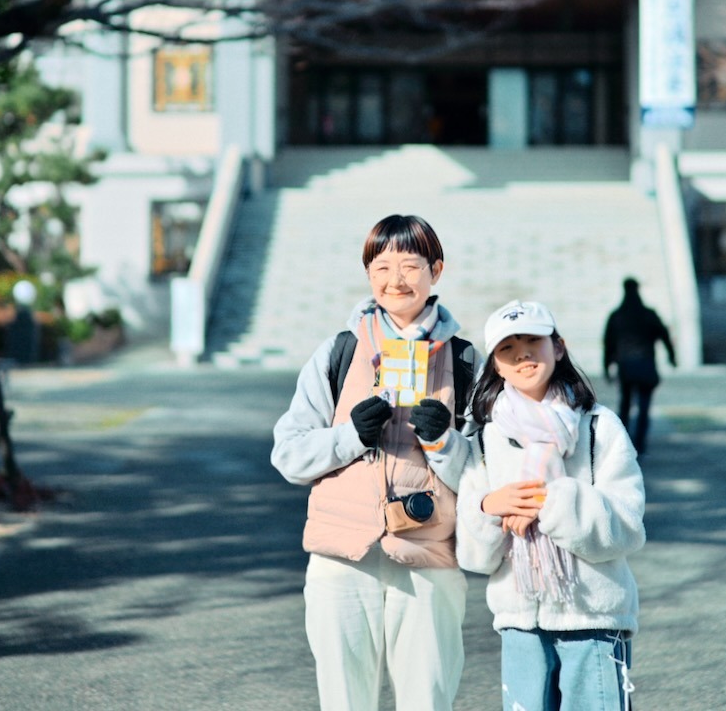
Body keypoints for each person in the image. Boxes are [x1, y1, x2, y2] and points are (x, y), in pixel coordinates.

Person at [271, 214, 482, 711]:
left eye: (410, 265)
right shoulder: (339, 352)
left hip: (429, 560)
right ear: (368, 274)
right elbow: (288, 455)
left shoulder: (466, 360)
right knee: (345, 701)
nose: (395, 280)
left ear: (436, 270)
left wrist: (444, 443)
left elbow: (485, 475)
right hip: (341, 559)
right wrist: (350, 436)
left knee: (427, 700)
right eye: (382, 267)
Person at [457, 299, 646, 711]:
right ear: (496, 365)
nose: (522, 355)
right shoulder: (485, 438)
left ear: (558, 347)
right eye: (507, 348)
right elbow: (473, 555)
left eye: (533, 342)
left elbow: (628, 526)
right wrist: (490, 508)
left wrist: (554, 501)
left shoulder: (599, 426)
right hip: (520, 622)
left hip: (593, 617)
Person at [601, 278, 674, 455]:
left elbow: (608, 344)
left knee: (625, 405)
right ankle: (640, 443)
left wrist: (607, 367)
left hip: (626, 367)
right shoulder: (648, 314)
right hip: (645, 365)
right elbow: (664, 334)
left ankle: (624, 441)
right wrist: (672, 356)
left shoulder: (617, 316)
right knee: (644, 407)